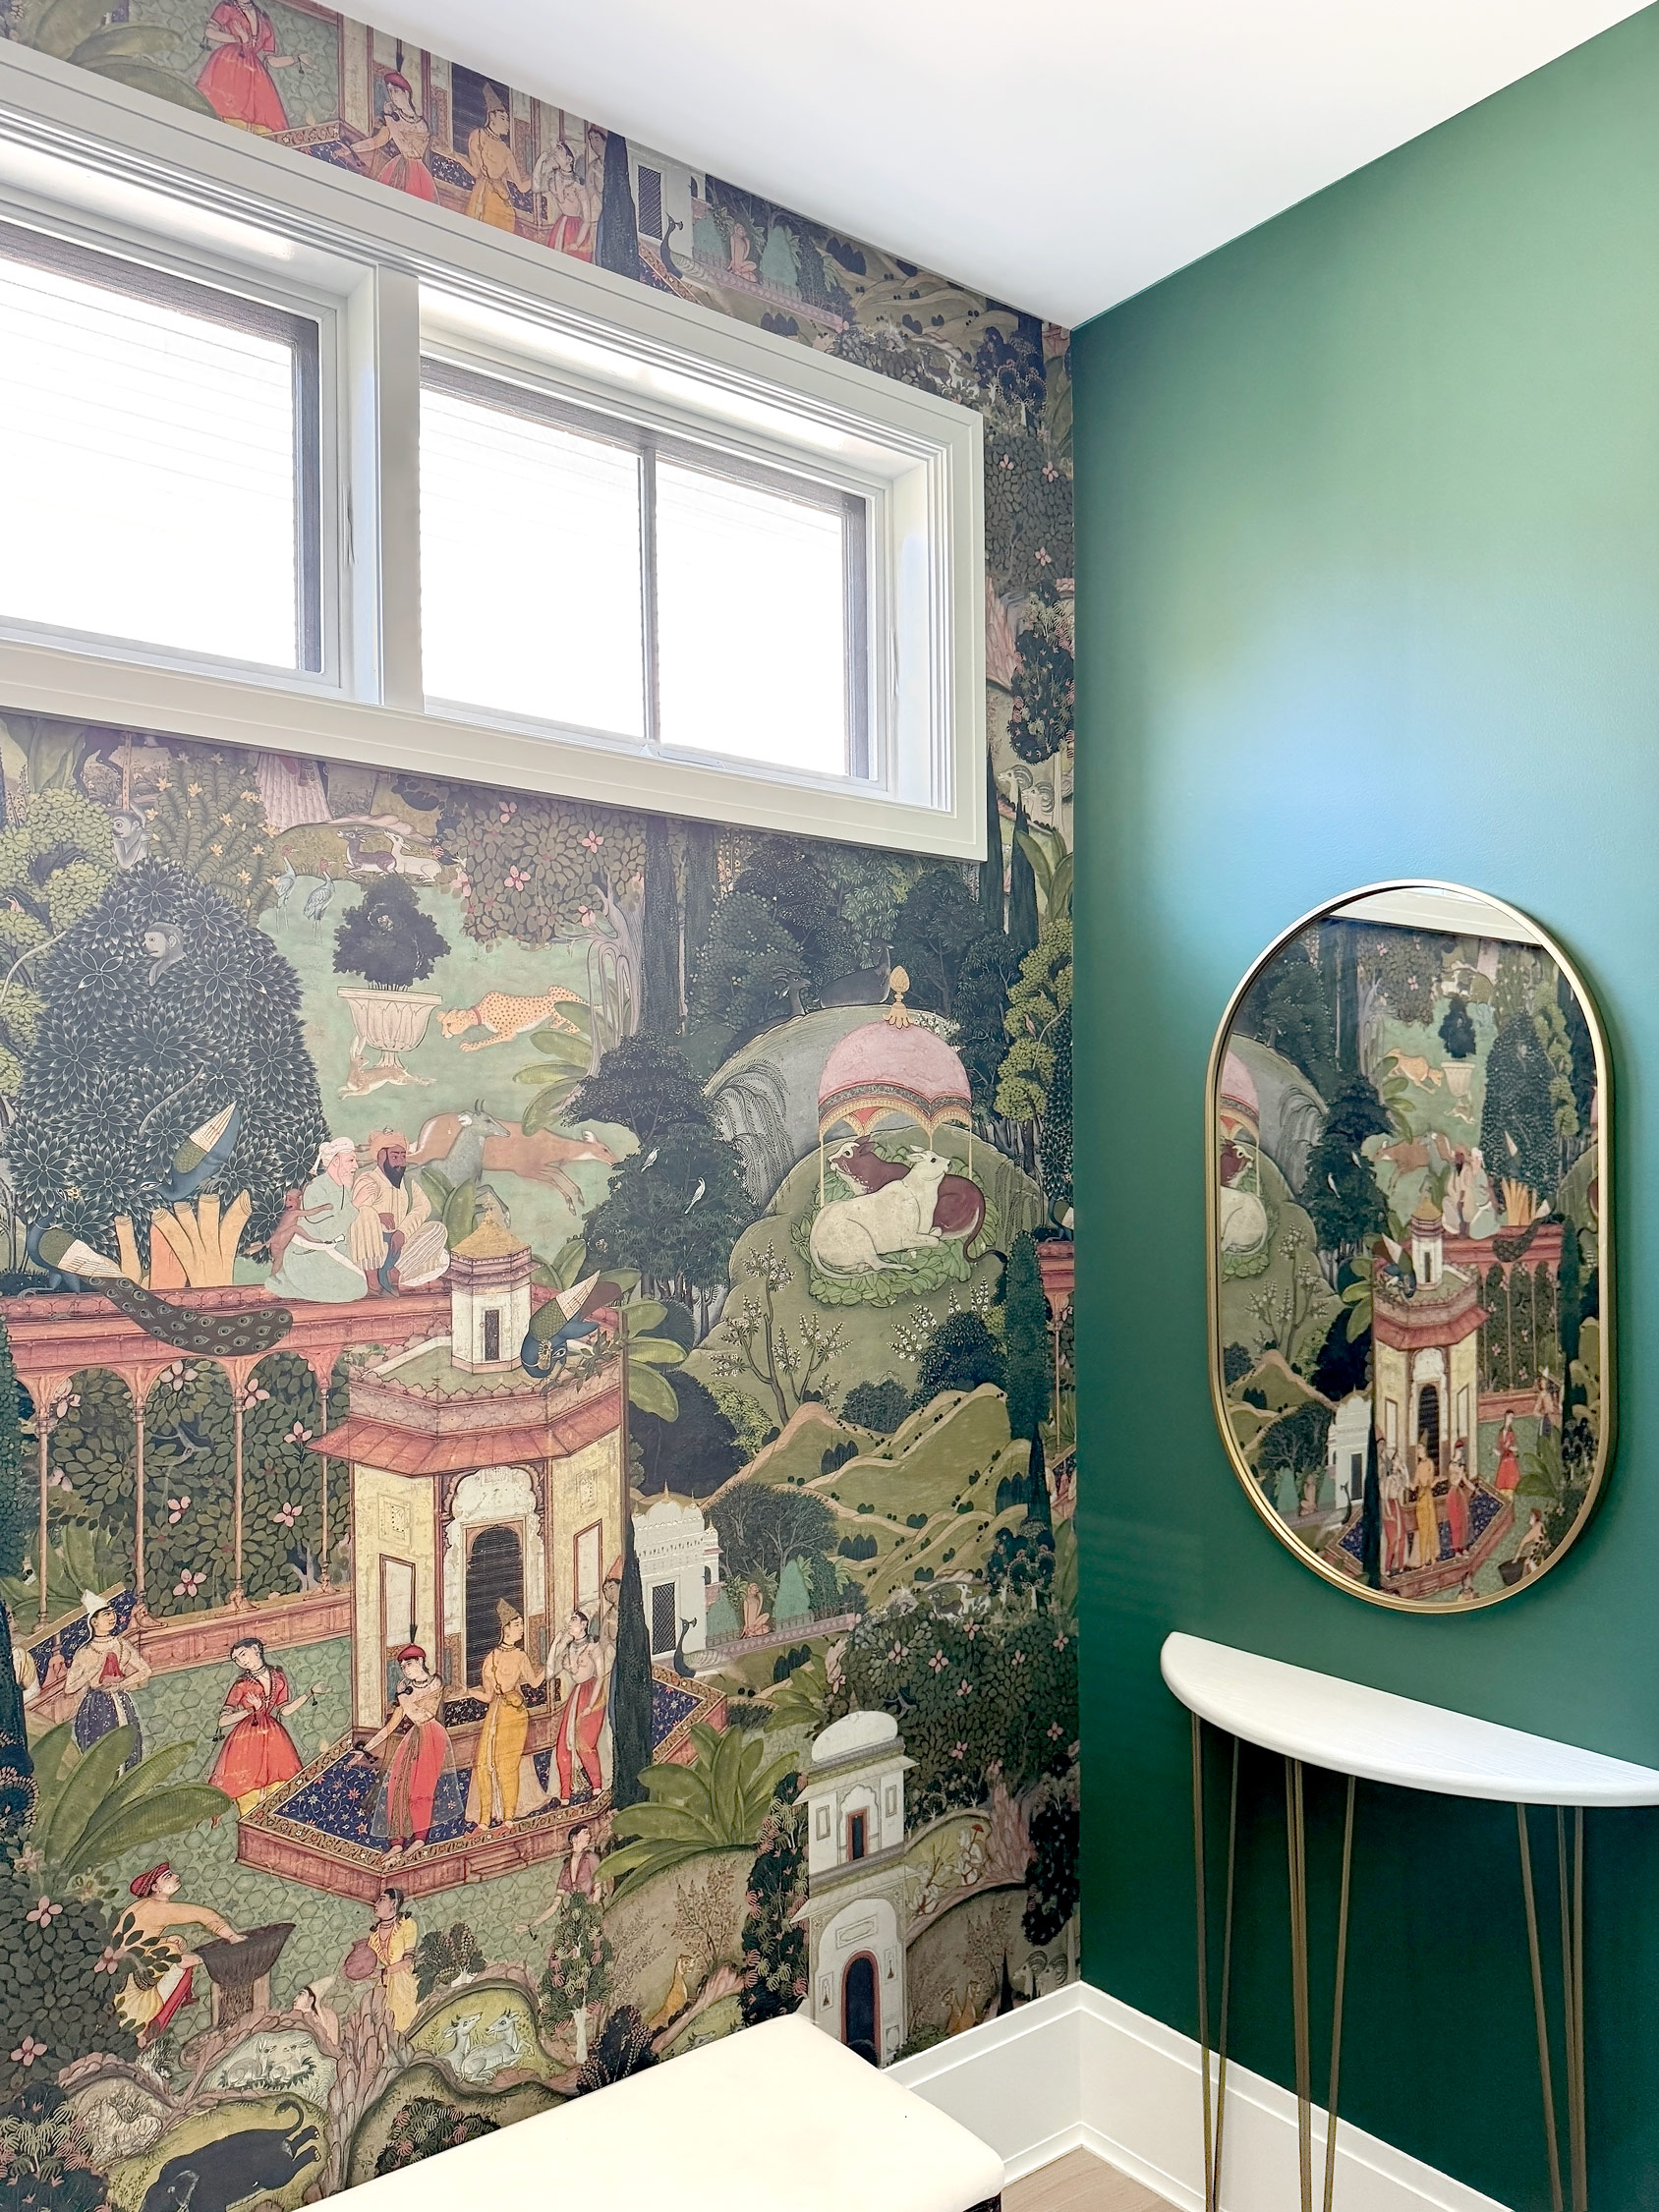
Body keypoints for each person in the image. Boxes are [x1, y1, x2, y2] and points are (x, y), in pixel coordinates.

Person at [115, 1862, 243, 2047]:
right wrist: (232, 1936)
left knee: (172, 1946)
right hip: (132, 1982)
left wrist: (164, 1940)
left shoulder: (142, 1906)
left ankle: (186, 1962)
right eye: (168, 1876)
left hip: (120, 1973)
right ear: (156, 1888)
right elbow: (203, 1915)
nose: (176, 1876)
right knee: (172, 1951)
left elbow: (135, 1940)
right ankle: (192, 1960)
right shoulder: (157, 1908)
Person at [360, 1645, 456, 1860]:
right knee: (397, 1788)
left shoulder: (435, 1682)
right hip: (412, 1739)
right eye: (402, 1666)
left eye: (409, 1664)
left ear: (421, 1661)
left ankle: (419, 1838)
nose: (405, 1669)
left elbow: (421, 1715)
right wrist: (366, 1748)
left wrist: (403, 1696)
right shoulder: (406, 1690)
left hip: (431, 1736)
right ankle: (397, 1842)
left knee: (421, 1789)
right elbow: (390, 1726)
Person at [209, 1637, 322, 1814]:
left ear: (256, 1649)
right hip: (247, 1739)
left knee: (280, 1787)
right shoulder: (242, 1684)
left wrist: (310, 1693)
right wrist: (250, 1710)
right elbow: (222, 1721)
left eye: (242, 1654)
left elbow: (284, 1710)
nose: (241, 1661)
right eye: (236, 1659)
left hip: (274, 1736)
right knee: (248, 1791)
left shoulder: (278, 1676)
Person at [464, 1601, 544, 1830]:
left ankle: (508, 1817)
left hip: (515, 1713)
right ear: (505, 1629)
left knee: (507, 1764)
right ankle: (484, 1819)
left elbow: (534, 1682)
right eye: (517, 1625)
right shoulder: (490, 1658)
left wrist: (551, 1665)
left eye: (521, 1624)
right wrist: (468, 1691)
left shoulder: (520, 1655)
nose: (521, 1628)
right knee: (484, 1764)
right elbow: (488, 1695)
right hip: (495, 1713)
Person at [266, 1138, 371, 1303]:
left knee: (359, 1284)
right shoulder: (315, 1189)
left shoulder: (344, 1188)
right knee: (356, 1287)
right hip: (308, 1256)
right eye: (350, 1160)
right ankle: (291, 1284)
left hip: (330, 1253)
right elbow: (328, 1232)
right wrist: (356, 1203)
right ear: (336, 1162)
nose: (355, 1166)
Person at [350, 1134, 448, 1293]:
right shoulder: (369, 1180)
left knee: (438, 1230)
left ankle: (394, 1273)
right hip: (373, 1248)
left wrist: (403, 1231)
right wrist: (377, 1217)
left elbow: (423, 1207)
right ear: (381, 1156)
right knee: (366, 1214)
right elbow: (355, 1214)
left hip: (399, 1247)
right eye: (395, 1157)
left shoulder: (407, 1183)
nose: (401, 1162)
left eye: (403, 1157)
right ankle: (374, 1279)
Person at [65, 1591, 149, 1772]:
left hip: (121, 1700)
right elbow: (69, 1687)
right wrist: (92, 1670)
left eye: (112, 1613)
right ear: (94, 1622)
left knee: (129, 1746)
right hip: (95, 1705)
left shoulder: (121, 1644)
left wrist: (121, 1684)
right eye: (106, 1614)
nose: (112, 1617)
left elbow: (145, 1670)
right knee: (100, 1754)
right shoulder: (85, 1651)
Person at [195, 1, 305, 135]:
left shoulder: (264, 20)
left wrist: (297, 58)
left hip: (255, 73)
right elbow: (210, 32)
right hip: (230, 63)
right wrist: (238, 38)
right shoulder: (228, 7)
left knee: (262, 122)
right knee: (221, 111)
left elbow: (272, 61)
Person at [548, 1609, 607, 1803]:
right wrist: (555, 1644)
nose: (569, 1623)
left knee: (585, 1744)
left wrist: (590, 1705)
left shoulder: (593, 1647)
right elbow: (549, 1673)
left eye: (573, 1620)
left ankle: (597, 1787)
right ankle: (565, 1795)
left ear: (583, 1624)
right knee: (563, 1746)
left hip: (592, 1693)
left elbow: (601, 1676)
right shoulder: (568, 1649)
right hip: (577, 1695)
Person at [351, 73, 437, 200]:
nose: (392, 96)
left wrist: (388, 118)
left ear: (406, 94)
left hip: (417, 174)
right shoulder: (394, 117)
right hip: (396, 167)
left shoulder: (421, 125)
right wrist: (351, 148)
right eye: (390, 91)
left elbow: (406, 148)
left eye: (396, 91)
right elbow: (376, 142)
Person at [454, 85, 529, 232]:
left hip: (500, 200)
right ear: (492, 117)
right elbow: (476, 172)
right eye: (503, 118)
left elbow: (521, 186)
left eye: (507, 120)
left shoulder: (506, 151)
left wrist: (538, 176)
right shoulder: (477, 135)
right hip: (480, 194)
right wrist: (456, 156)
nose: (507, 124)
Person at [519, 1822, 601, 1932]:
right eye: (585, 1833)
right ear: (574, 1839)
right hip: (575, 1917)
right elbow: (555, 1904)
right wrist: (531, 1925)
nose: (589, 1836)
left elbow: (598, 1886)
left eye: (589, 1833)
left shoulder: (591, 1857)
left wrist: (592, 1913)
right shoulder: (567, 1867)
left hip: (591, 1916)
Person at [364, 1887, 418, 2033]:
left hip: (403, 1983)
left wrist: (383, 1972)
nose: (375, 1904)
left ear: (393, 1903)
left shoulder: (406, 1925)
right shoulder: (374, 1934)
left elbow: (408, 1962)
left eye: (381, 1900)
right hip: (384, 1984)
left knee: (402, 2026)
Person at [1411, 1442, 1441, 1568]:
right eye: (1417, 1450)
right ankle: (1423, 1560)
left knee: (1431, 1527)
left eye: (1420, 1449)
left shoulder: (1429, 1463)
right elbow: (1414, 1485)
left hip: (1428, 1496)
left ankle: (1432, 1557)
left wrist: (1437, 1481)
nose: (1418, 1452)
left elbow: (1430, 1482)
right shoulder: (1419, 1466)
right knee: (1423, 1529)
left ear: (1423, 1450)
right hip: (1421, 1498)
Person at [1445, 1440, 1472, 1557]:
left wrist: (1475, 1489)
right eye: (1460, 1450)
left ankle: (1463, 1546)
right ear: (1455, 1451)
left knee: (1464, 1520)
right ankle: (1456, 1549)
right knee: (1456, 1522)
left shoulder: (1460, 1466)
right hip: (1453, 1493)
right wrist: (1460, 1472)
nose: (1461, 1452)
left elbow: (1465, 1481)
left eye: (1462, 1450)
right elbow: (1454, 1481)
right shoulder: (1452, 1465)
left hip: (1459, 1493)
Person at [1495, 1410, 1522, 1494]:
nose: (1511, 1420)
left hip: (1510, 1460)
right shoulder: (1501, 1432)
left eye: (1512, 1418)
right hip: (1504, 1459)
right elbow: (1500, 1446)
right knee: (1502, 1485)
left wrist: (1511, 1448)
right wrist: (1497, 1451)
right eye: (1510, 1417)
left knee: (1510, 1485)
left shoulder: (1511, 1433)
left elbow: (1515, 1447)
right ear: (1506, 1417)